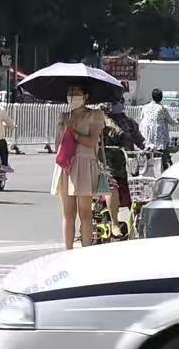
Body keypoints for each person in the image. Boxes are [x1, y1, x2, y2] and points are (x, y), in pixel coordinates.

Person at [54, 82, 106, 249]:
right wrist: (64, 129)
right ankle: (67, 250)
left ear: (85, 97)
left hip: (84, 164)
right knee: (68, 213)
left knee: (85, 212)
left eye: (76, 92)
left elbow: (91, 142)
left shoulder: (95, 115)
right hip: (66, 165)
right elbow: (57, 146)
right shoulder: (63, 116)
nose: (72, 96)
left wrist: (74, 133)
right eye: (70, 92)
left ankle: (85, 250)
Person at [102, 101, 145, 237]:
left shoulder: (129, 122)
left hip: (128, 165)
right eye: (115, 101)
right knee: (112, 187)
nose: (118, 103)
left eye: (119, 100)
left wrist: (147, 146)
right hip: (106, 165)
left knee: (139, 189)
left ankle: (139, 222)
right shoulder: (100, 119)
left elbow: (140, 140)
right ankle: (115, 223)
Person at [138, 88, 174, 172]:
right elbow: (170, 121)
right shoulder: (162, 108)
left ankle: (144, 169)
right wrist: (178, 121)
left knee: (147, 149)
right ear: (161, 97)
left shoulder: (145, 107)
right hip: (158, 133)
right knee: (161, 152)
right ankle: (163, 168)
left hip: (146, 131)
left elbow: (141, 118)